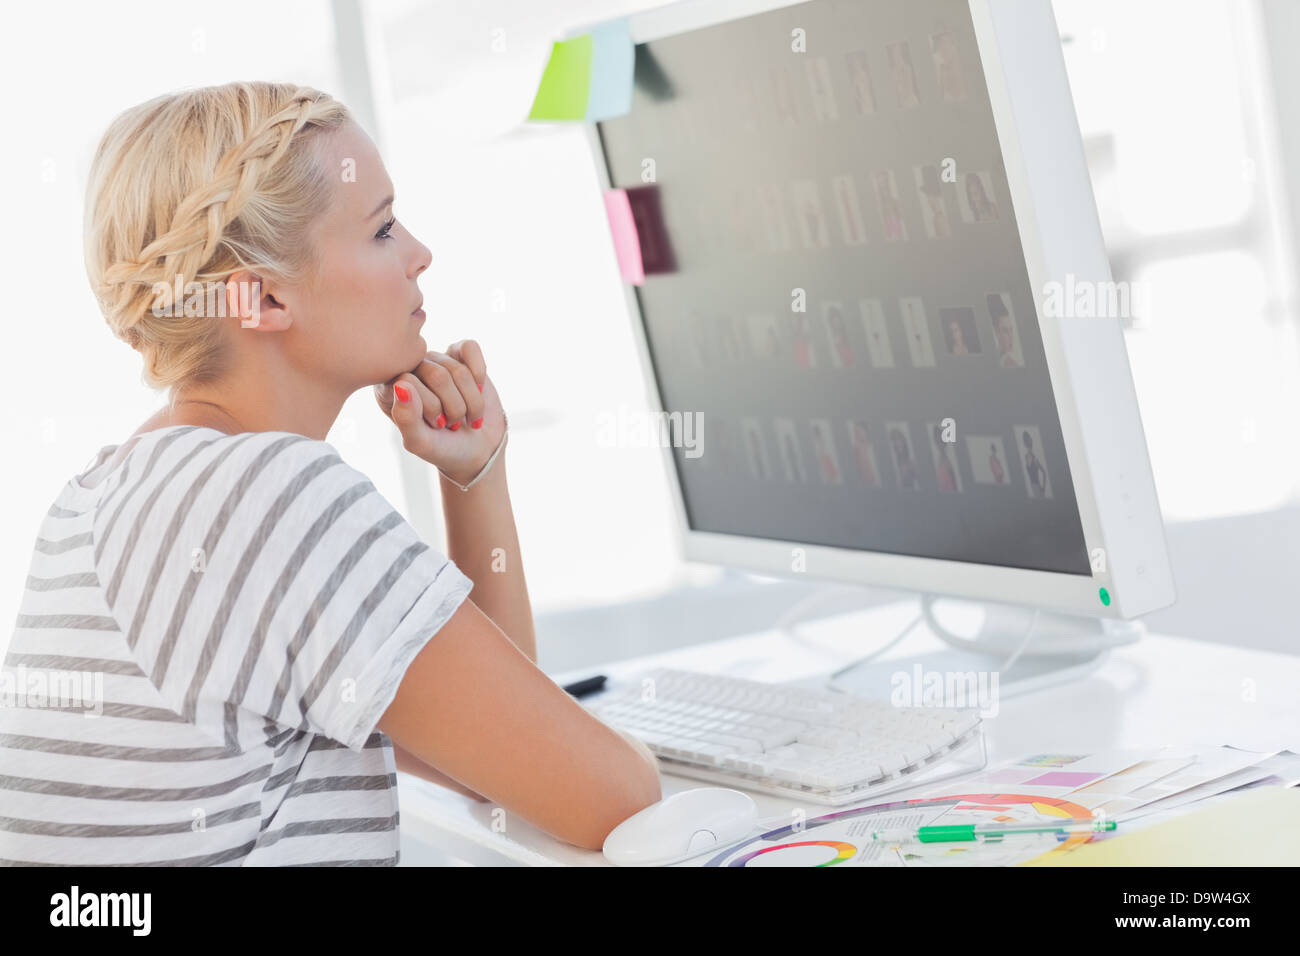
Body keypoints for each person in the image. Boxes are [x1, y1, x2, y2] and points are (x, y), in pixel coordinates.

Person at [0, 82, 659, 866]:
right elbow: (620, 800)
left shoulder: (112, 491)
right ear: (262, 297)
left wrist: (476, 476)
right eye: (381, 229)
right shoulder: (267, 497)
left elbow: (498, 765)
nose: (419, 252)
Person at [1023, 430, 1048, 497]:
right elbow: (1043, 472)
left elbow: (1044, 472)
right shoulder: (1027, 457)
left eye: (1028, 440)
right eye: (1026, 440)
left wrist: (1043, 488)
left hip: (1036, 486)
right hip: (1034, 487)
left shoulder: (1033, 458)